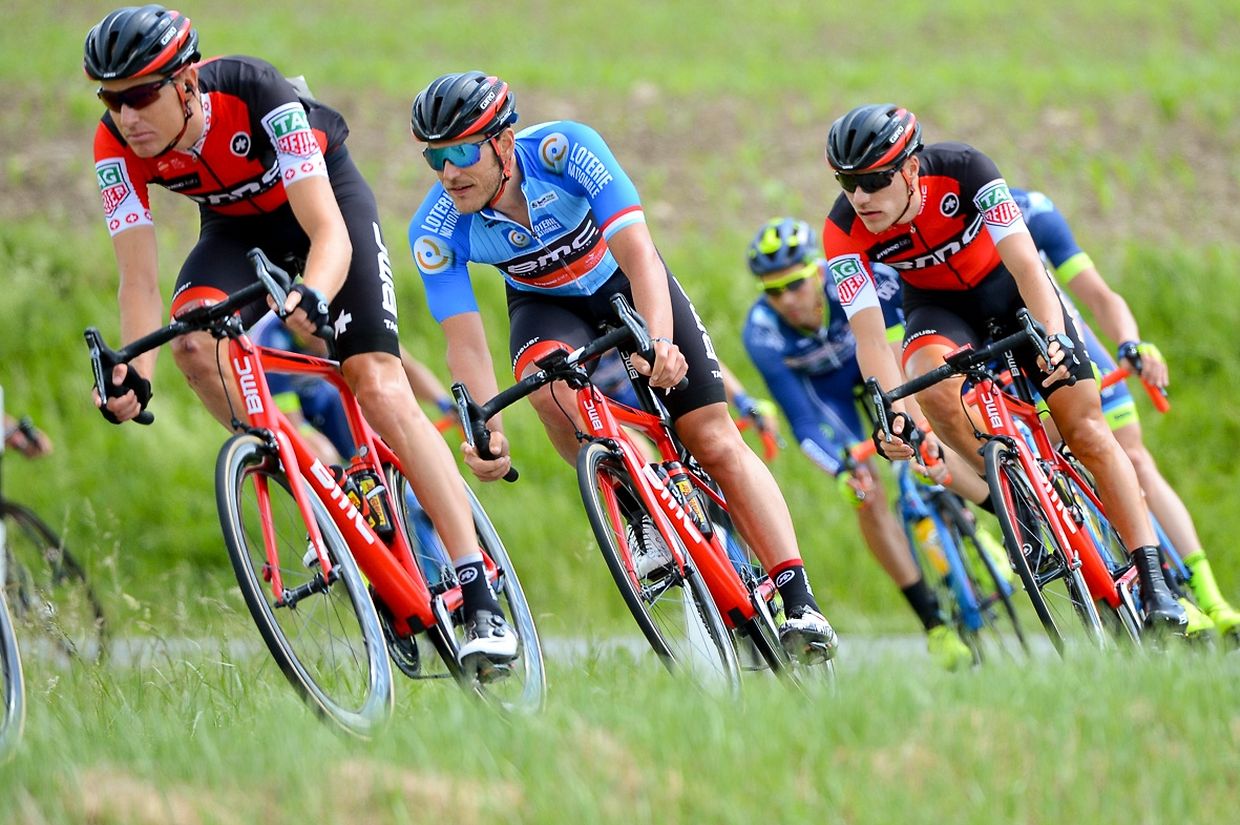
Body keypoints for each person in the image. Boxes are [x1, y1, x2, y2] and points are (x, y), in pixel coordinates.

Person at [82, 5, 516, 669]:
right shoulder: (113, 147)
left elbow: (327, 232)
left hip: (324, 209)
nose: (126, 116)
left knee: (373, 378)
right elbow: (138, 280)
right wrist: (132, 372)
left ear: (187, 80)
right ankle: (327, 484)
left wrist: (312, 293)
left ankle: (476, 584)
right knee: (193, 345)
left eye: (140, 95)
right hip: (232, 230)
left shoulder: (257, 92)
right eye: (111, 100)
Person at [407, 71, 837, 662]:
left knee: (712, 439)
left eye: (460, 152)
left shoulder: (566, 151)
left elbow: (638, 252)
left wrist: (659, 339)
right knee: (545, 381)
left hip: (624, 281)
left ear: (504, 142)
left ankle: (800, 601)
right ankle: (636, 505)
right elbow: (467, 342)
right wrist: (487, 426)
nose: (449, 172)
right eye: (435, 158)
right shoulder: (436, 229)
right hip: (543, 304)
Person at [819, 103, 1186, 633]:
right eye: (846, 181)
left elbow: (1024, 263)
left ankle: (1154, 580)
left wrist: (1055, 336)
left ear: (911, 169)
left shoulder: (967, 170)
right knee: (927, 377)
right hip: (939, 309)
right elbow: (871, 337)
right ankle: (1019, 505)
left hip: (1011, 290)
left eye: (874, 180)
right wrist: (891, 410)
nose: (860, 196)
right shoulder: (844, 229)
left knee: (1085, 428)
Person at [742, 217, 988, 670]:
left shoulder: (847, 285)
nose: (787, 301)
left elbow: (895, 346)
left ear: (817, 271)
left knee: (926, 426)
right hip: (831, 400)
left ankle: (981, 515)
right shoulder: (762, 332)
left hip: (877, 367)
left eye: (794, 285)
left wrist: (909, 420)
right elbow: (803, 422)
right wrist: (840, 468)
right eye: (772, 292)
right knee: (866, 494)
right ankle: (933, 624)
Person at [1014, 187, 1240, 638]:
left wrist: (1129, 342)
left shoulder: (1029, 212)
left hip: (1075, 353)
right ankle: (1126, 589)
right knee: (1055, 476)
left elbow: (1098, 296)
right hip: (1014, 373)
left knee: (1135, 461)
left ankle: (1211, 597)